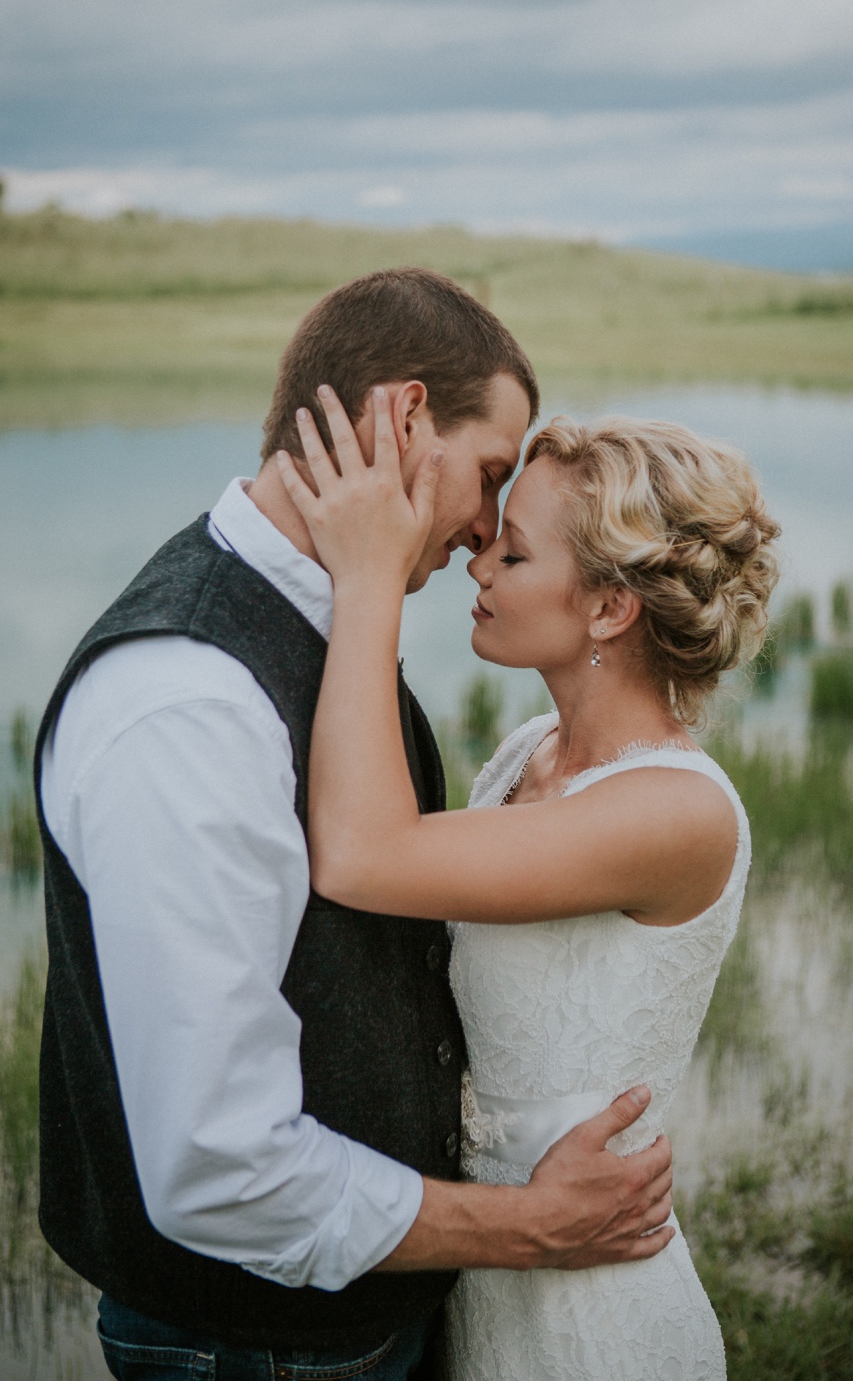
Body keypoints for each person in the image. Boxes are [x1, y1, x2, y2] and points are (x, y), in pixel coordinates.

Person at [36, 269, 675, 1382]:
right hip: (255, 1343)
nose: (485, 526)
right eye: (487, 474)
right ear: (403, 418)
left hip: (357, 1320)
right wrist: (531, 1225)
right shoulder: (190, 699)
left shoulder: (321, 622)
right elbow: (219, 1164)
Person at [272, 396, 777, 1378]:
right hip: (494, 1254)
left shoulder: (675, 813)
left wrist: (369, 578)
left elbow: (364, 856)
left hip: (591, 1309)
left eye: (512, 554)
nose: (476, 564)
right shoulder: (523, 755)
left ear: (606, 606)